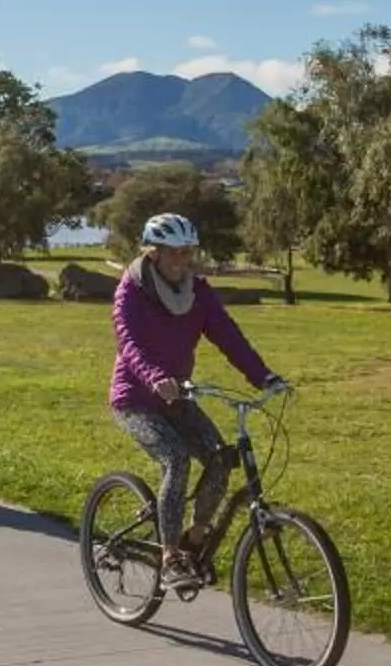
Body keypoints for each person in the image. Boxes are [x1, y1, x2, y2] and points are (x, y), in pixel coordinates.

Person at [110, 211, 285, 581]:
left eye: (186, 252)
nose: (180, 261)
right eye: (172, 252)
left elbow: (229, 337)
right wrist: (155, 377)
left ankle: (194, 540)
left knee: (221, 460)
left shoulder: (198, 292)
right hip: (135, 398)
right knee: (176, 459)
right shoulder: (131, 289)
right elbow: (129, 343)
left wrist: (263, 376)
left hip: (177, 397)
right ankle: (170, 556)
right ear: (153, 253)